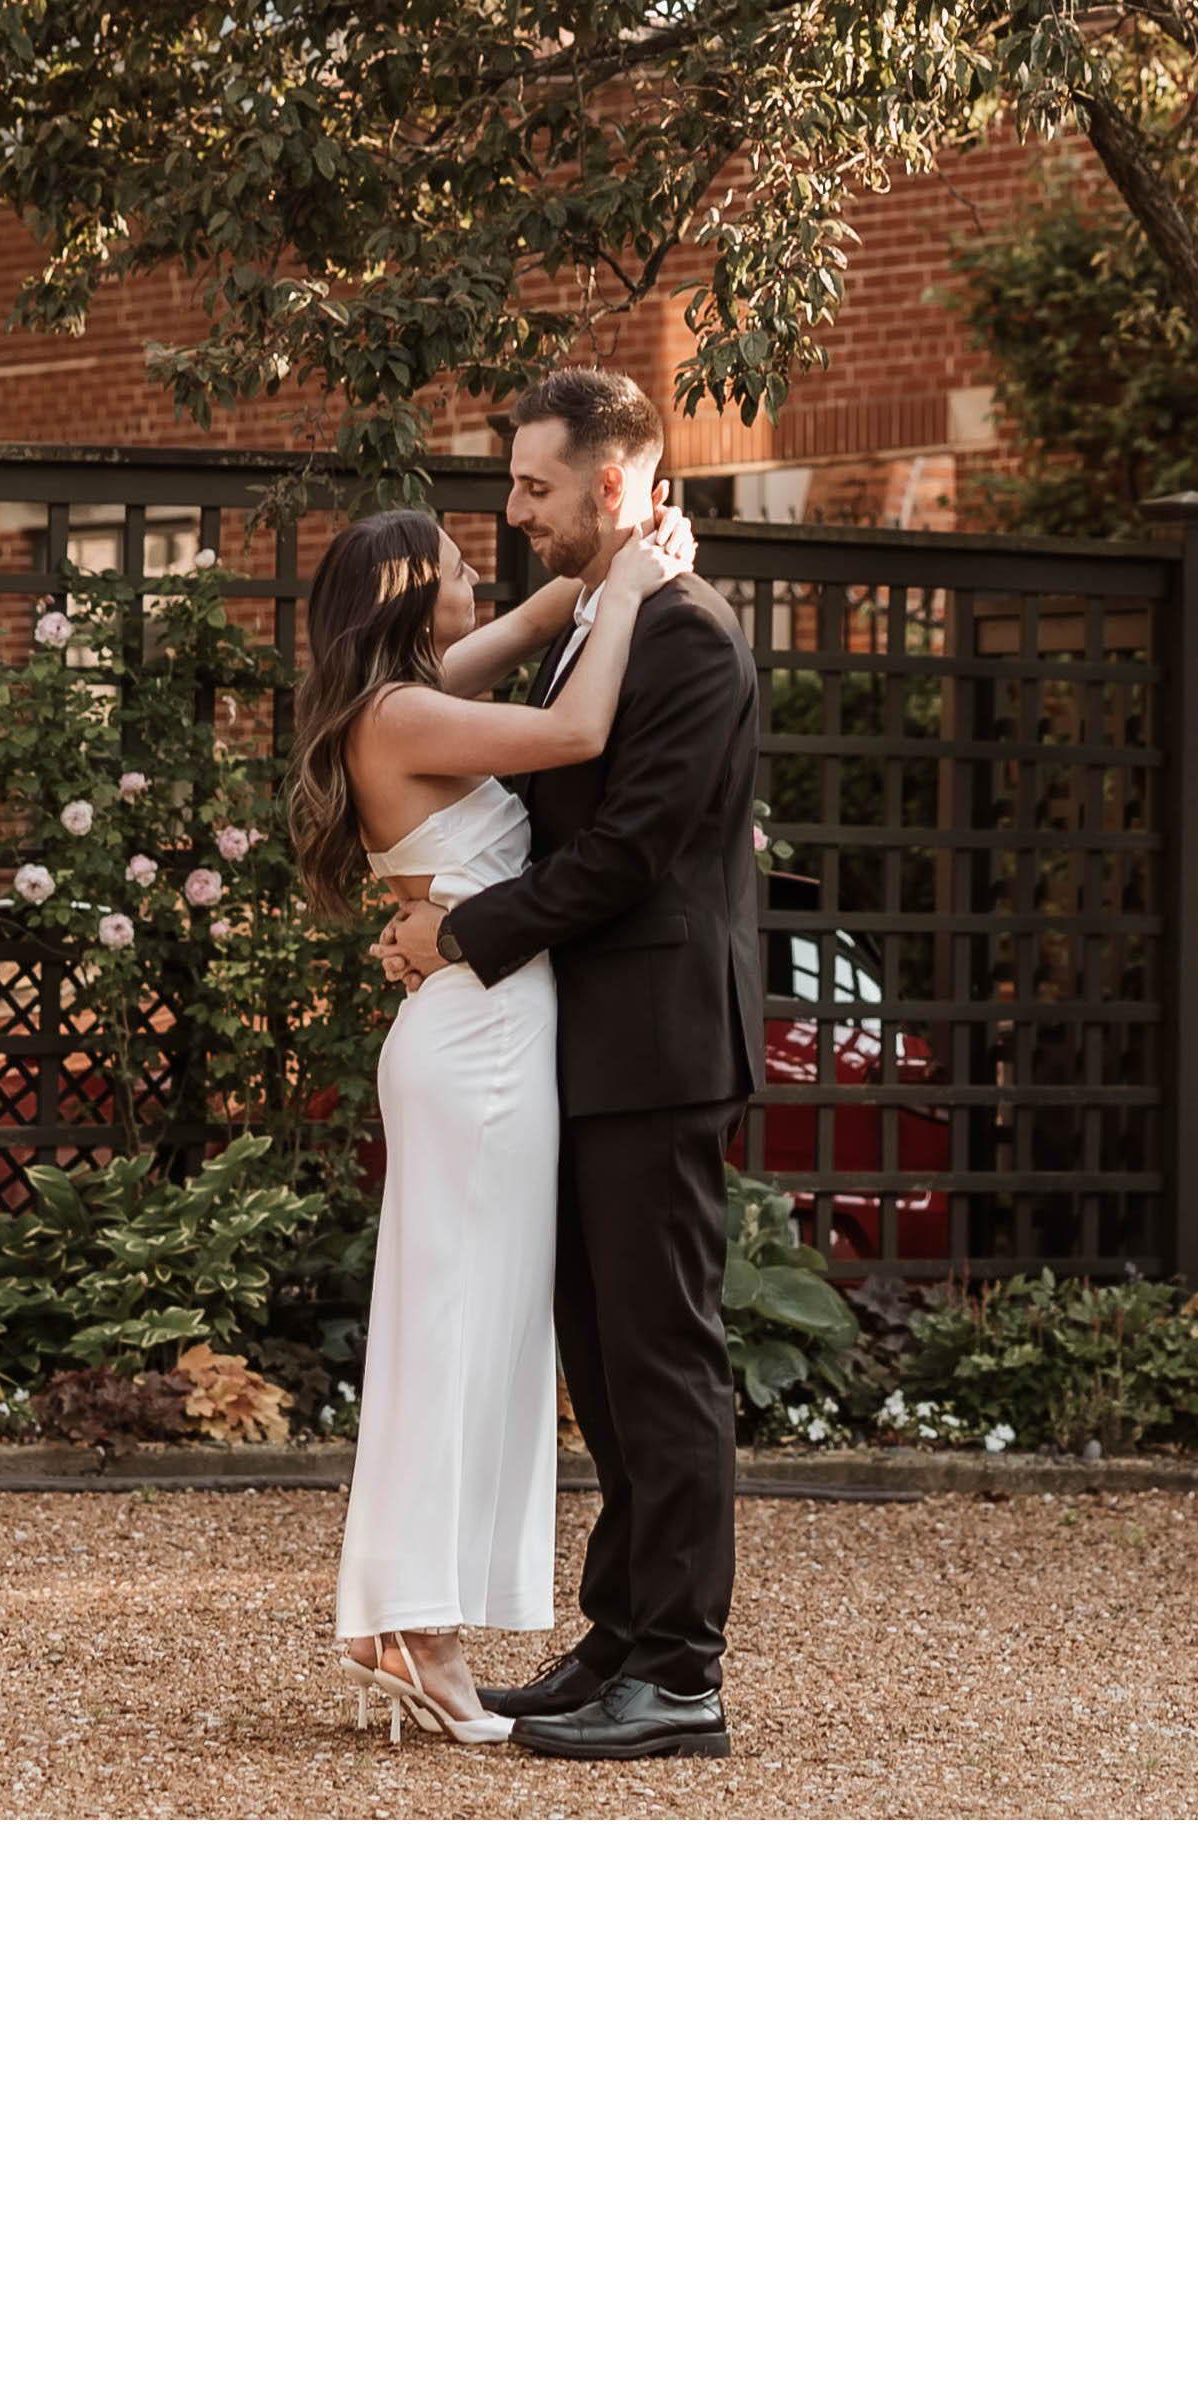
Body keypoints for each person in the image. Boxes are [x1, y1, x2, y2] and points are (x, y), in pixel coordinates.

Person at [375, 363, 766, 1768]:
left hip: (658, 1045)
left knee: (661, 1360)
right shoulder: (602, 617)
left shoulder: (687, 635)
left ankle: (681, 1673)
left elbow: (624, 854)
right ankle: (619, 1633)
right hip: (587, 1048)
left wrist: (461, 932)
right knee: (603, 1363)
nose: (515, 510)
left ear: (611, 484)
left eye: (534, 487)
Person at [300, 473, 694, 1741]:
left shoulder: (400, 695)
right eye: (460, 561)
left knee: (465, 1332)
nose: (486, 571)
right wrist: (633, 589)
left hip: (478, 1036)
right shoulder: (406, 712)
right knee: (457, 1339)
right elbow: (576, 731)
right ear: (411, 592)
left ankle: (402, 1617)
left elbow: (534, 623)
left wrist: (629, 546)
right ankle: (416, 1630)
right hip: (480, 1051)